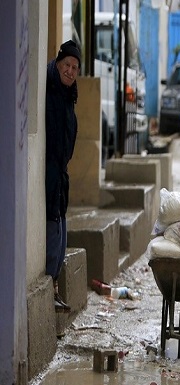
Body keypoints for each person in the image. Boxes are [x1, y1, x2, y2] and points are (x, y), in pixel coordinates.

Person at [45, 40, 81, 312]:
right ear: (57, 64)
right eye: (66, 65)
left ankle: (54, 288)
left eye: (75, 67)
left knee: (62, 236)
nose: (70, 71)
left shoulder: (69, 97)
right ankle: (49, 290)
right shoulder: (50, 92)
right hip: (49, 175)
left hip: (60, 175)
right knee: (53, 233)